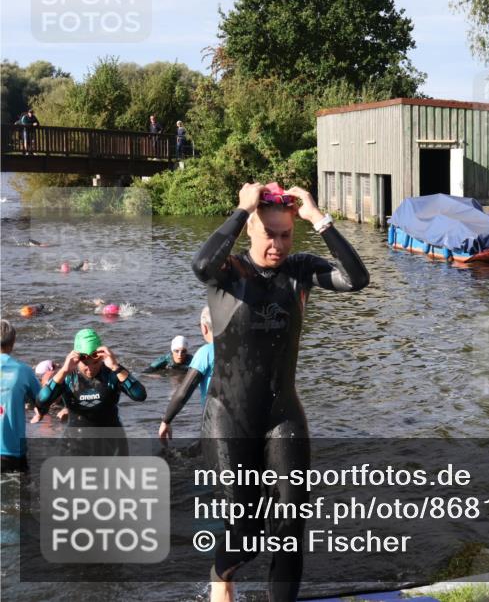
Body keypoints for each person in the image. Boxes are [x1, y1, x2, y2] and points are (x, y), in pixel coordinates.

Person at [185, 181, 368, 602]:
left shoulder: (300, 270)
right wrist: (239, 209)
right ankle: (221, 577)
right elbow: (199, 265)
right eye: (270, 233)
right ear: (250, 229)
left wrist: (319, 219)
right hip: (229, 416)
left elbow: (357, 279)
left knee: (289, 530)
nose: (279, 244)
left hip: (282, 414)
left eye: (286, 234)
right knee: (246, 533)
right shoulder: (226, 272)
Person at [35, 328, 146, 456]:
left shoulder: (112, 373)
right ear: (77, 359)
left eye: (95, 362)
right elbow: (41, 401)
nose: (90, 368)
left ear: (101, 358)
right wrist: (64, 370)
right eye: (85, 363)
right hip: (75, 446)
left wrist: (116, 366)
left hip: (112, 446)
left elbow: (140, 395)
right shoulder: (67, 376)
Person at [159, 307, 214, 439]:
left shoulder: (205, 352)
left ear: (204, 328)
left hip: (215, 420)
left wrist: (166, 420)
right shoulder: (243, 348)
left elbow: (184, 391)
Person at [0, 320, 41, 473]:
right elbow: (42, 401)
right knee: (21, 495)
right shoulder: (23, 371)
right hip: (12, 452)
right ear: (13, 341)